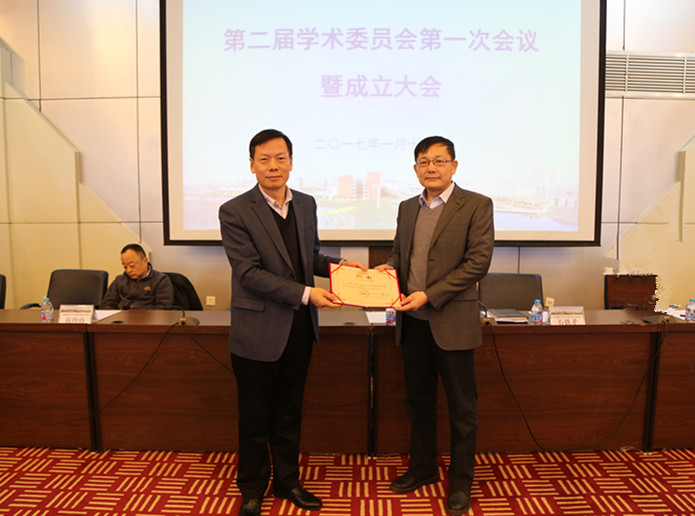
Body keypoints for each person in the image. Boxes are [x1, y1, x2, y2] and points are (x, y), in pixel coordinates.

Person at [218, 129, 366, 516]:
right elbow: (249, 274)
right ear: (252, 165)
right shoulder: (234, 211)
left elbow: (307, 256)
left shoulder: (306, 203)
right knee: (254, 417)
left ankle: (287, 482)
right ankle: (252, 488)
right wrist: (307, 293)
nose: (273, 166)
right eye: (264, 159)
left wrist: (338, 266)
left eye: (280, 158)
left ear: (291, 162)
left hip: (298, 329)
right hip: (257, 331)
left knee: (289, 413)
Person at [376, 136, 494, 515]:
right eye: (424, 162)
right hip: (412, 323)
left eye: (439, 161)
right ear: (415, 169)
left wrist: (428, 295)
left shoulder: (476, 205)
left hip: (452, 321)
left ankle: (460, 482)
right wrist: (383, 274)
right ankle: (423, 468)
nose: (432, 168)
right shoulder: (407, 207)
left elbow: (477, 263)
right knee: (418, 402)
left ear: (454, 166)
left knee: (462, 409)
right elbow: (399, 255)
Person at [99, 243, 174, 310]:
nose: (128, 270)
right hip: (121, 319)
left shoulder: (161, 280)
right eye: (125, 267)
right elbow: (106, 304)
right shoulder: (120, 280)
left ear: (145, 261)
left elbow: (163, 309)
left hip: (148, 319)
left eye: (132, 266)